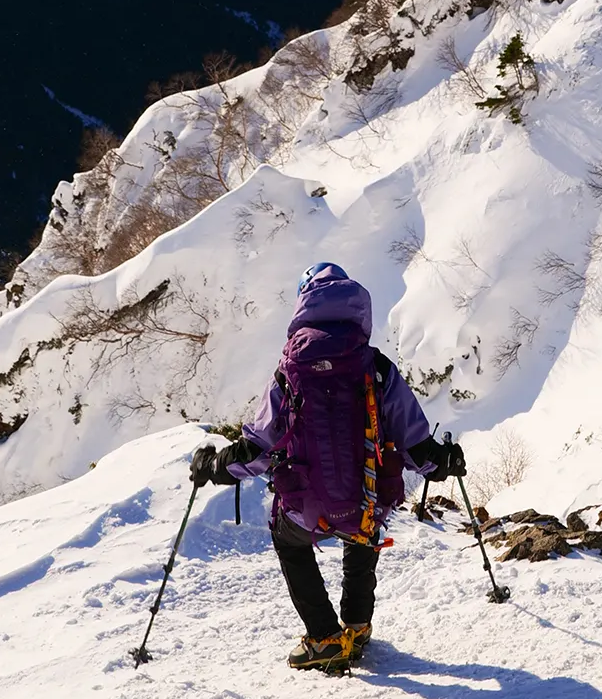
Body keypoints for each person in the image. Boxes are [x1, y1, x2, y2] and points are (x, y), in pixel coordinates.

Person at [190, 262, 463, 674]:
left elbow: (259, 446)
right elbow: (416, 445)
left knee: (289, 540)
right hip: (366, 500)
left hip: (306, 505)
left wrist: (213, 466)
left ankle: (324, 639)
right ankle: (356, 624)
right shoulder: (377, 367)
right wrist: (445, 462)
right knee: (363, 528)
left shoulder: (290, 369)